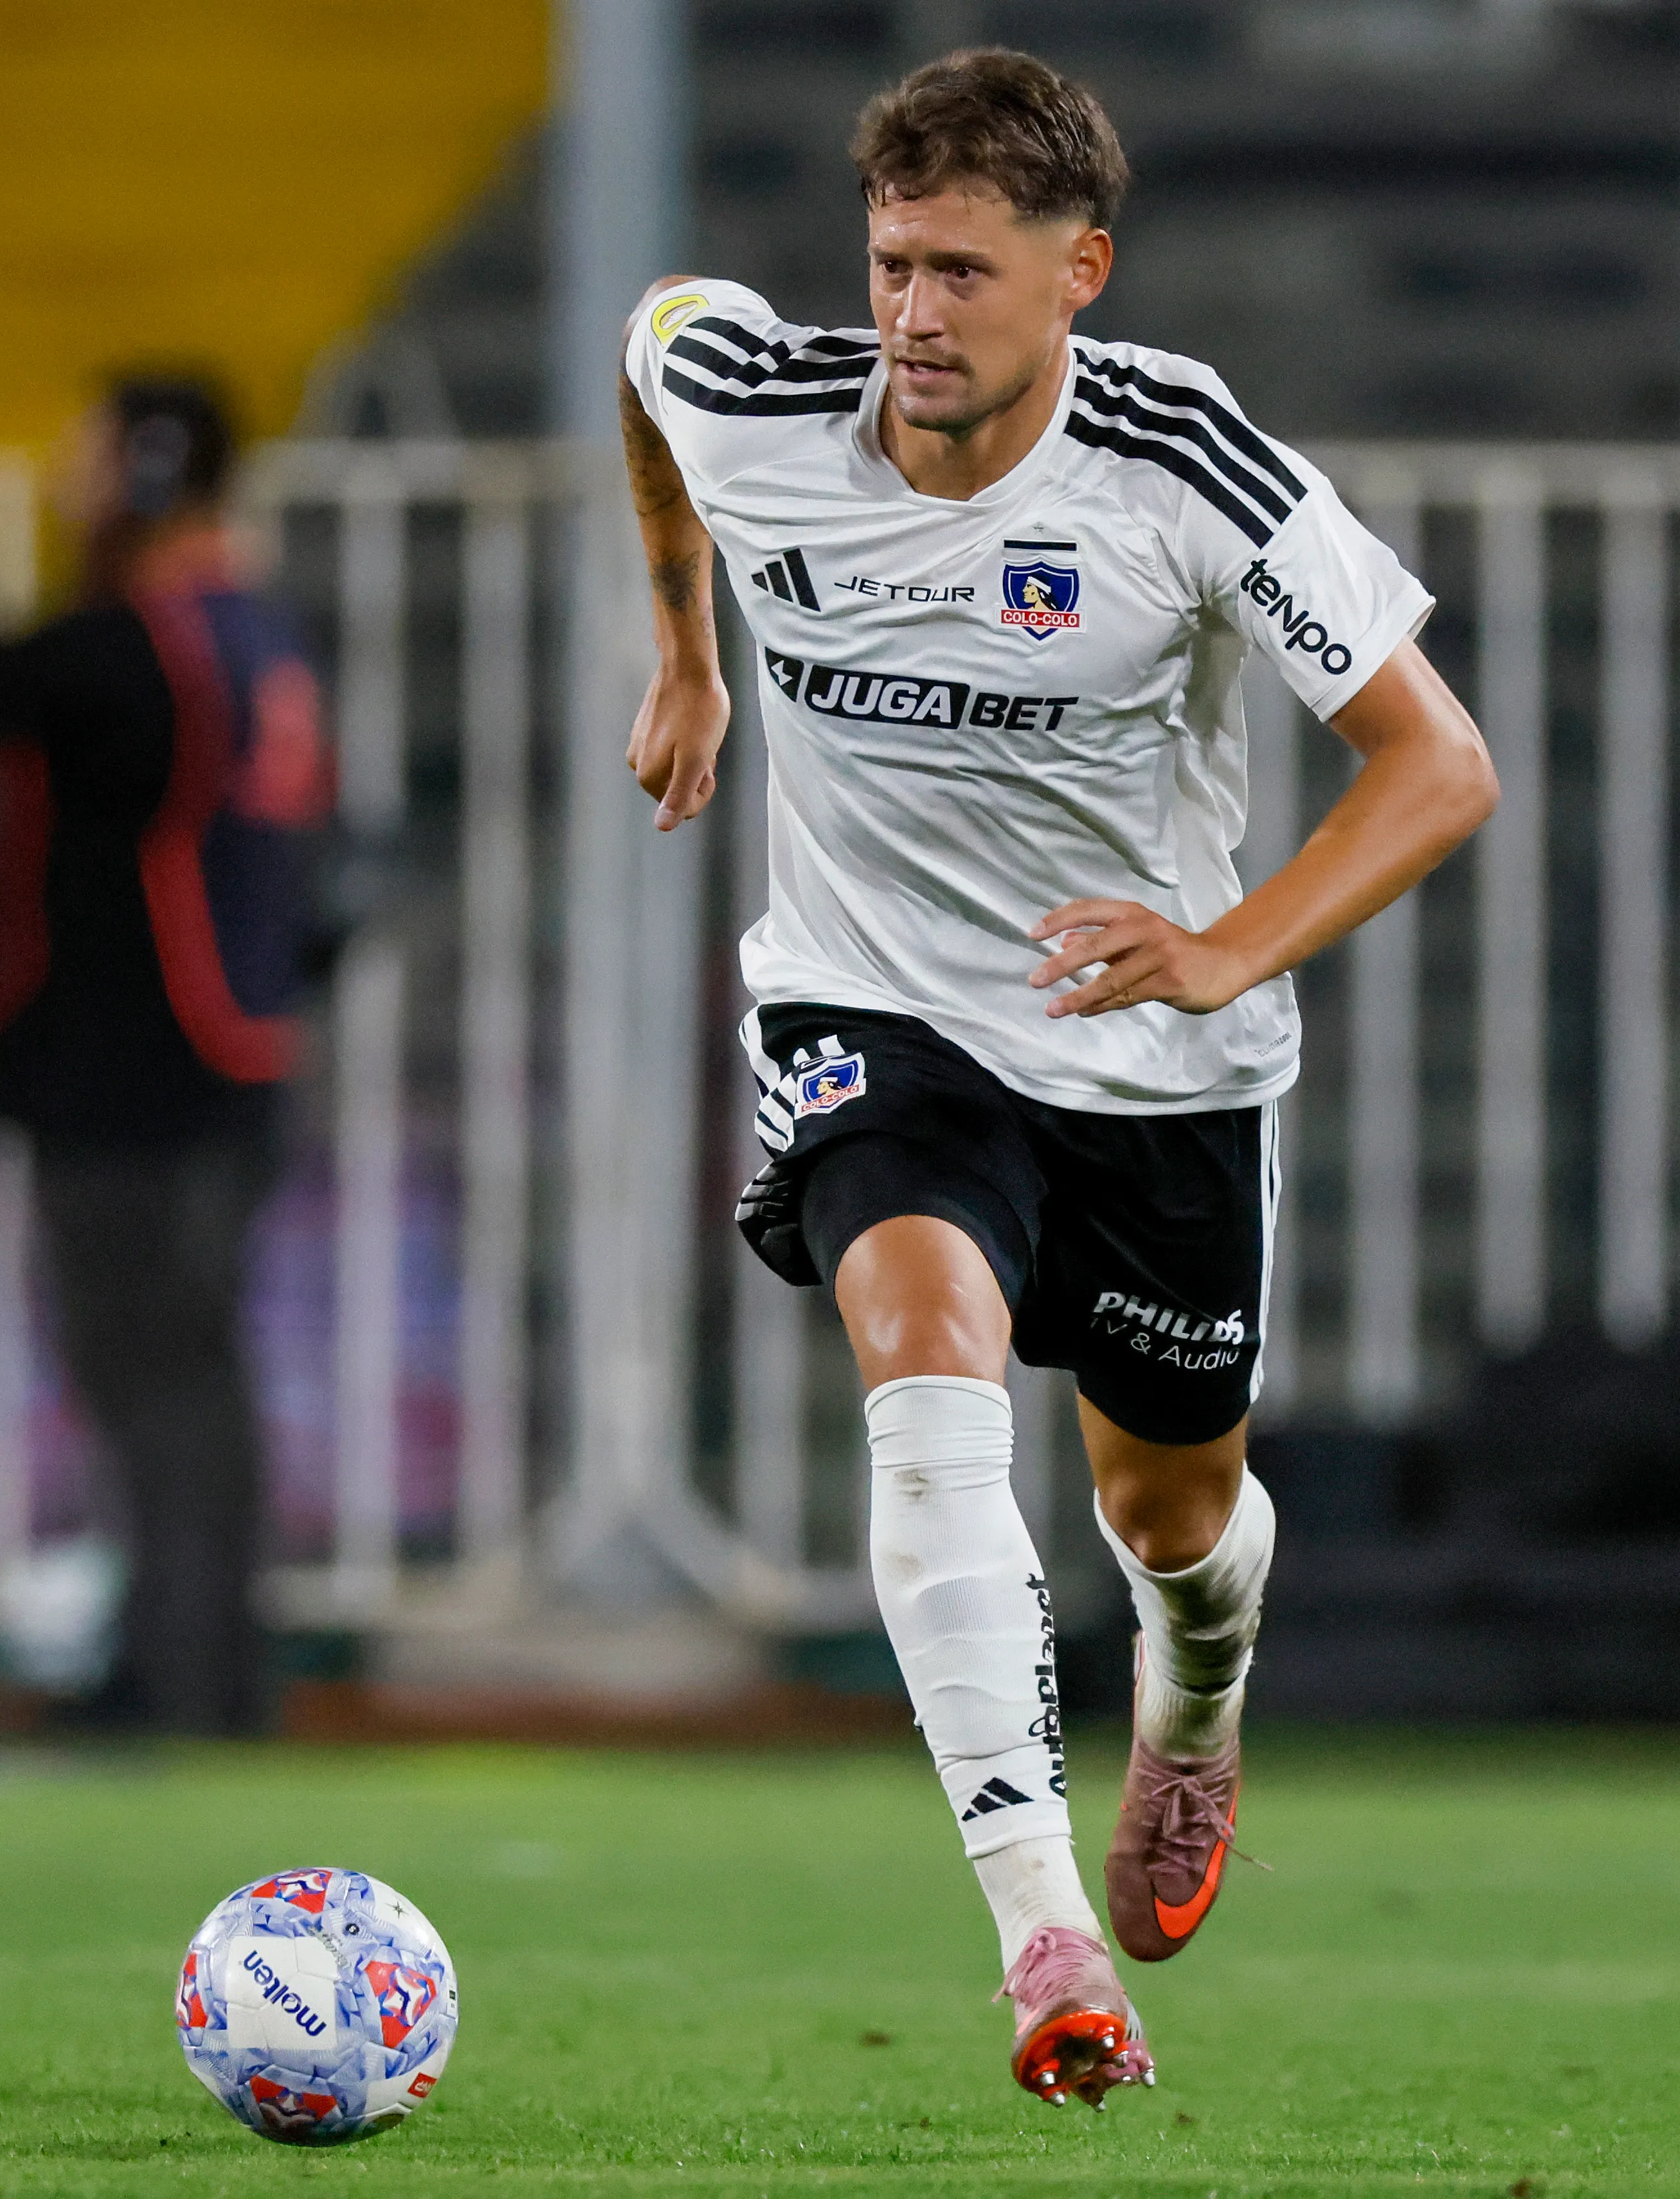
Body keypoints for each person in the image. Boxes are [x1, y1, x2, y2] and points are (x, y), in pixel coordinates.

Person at [617, 50, 1495, 2103]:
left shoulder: (1176, 460)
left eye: (961, 272)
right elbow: (649, 365)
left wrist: (1222, 944)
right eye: (891, 262)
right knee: (921, 1390)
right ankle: (1044, 1941)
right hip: (874, 1012)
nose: (913, 313)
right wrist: (688, 649)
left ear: (1078, 271)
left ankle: (1194, 1707)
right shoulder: (761, 405)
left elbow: (1436, 761)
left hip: (1147, 1055)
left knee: (1170, 1510)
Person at [0, 376, 333, 1735]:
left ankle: (181, 1678)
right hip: (217, 1051)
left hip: (146, 1063)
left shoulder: (149, 644)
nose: (68, 472)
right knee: (186, 1378)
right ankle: (199, 1665)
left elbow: (10, 683)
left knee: (157, 1372)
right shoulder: (247, 634)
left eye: (93, 448)